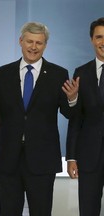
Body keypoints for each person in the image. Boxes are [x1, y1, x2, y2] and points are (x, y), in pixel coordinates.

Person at [0, 22, 79, 216]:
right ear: (20, 41)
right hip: (9, 159)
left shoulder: (58, 74)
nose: (33, 47)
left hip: (42, 160)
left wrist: (72, 99)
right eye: (29, 41)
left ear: (45, 45)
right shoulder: (3, 73)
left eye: (39, 43)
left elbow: (68, 113)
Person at [66, 17, 104, 216]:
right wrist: (71, 157)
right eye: (99, 37)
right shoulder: (80, 73)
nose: (103, 42)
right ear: (92, 40)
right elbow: (76, 119)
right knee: (88, 211)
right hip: (89, 157)